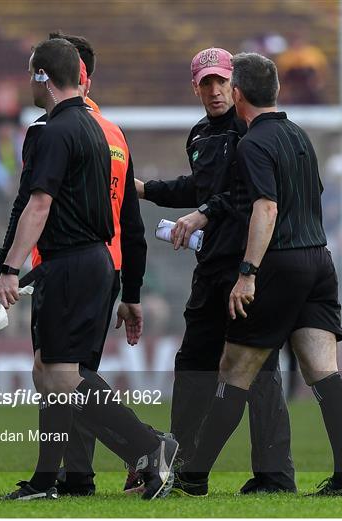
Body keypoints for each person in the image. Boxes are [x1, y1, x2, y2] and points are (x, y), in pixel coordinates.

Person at [0, 38, 177, 501]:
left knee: (63, 374)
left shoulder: (51, 131)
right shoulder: (104, 132)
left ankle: (151, 447)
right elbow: (128, 220)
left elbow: (36, 203)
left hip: (71, 262)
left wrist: (8, 267)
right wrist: (129, 287)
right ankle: (49, 479)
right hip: (98, 263)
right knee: (47, 372)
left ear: (41, 77)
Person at [174, 52, 342, 497]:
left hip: (281, 264)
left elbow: (266, 206)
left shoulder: (253, 143)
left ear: (237, 93)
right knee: (324, 372)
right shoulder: (299, 136)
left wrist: (248, 272)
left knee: (235, 370)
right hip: (319, 260)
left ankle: (193, 475)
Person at [136, 47, 295, 495]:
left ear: (235, 84)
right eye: (205, 83)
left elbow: (246, 196)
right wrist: (147, 190)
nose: (213, 90)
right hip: (211, 268)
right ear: (196, 86)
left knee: (260, 370)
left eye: (220, 81)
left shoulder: (253, 131)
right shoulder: (200, 136)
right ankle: (180, 469)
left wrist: (202, 212)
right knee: (192, 365)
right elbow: (201, 188)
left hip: (249, 266)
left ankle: (274, 475)